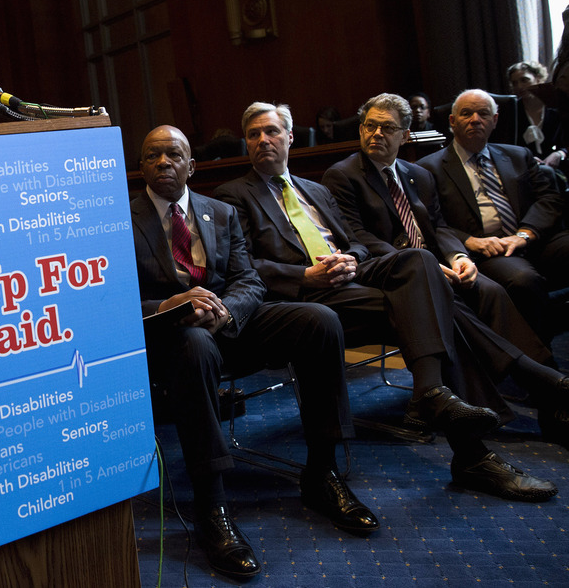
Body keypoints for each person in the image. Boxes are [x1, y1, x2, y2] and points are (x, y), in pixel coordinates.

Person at [213, 102, 558, 502]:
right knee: (437, 306)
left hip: (351, 278)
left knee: (418, 260)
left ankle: (435, 396)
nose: (262, 141)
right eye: (253, 135)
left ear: (290, 137)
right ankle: (487, 430)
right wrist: (307, 275)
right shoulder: (232, 195)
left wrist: (351, 258)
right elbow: (246, 266)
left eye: (271, 132)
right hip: (307, 298)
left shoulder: (316, 190)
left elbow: (356, 242)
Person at [132, 125, 377, 582]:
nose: (163, 163)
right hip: (174, 339)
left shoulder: (220, 213)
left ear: (192, 165)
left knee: (318, 320)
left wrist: (224, 312)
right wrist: (168, 306)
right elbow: (111, 295)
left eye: (173, 155)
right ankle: (212, 505)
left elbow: (250, 281)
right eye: (152, 157)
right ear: (141, 166)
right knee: (194, 343)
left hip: (228, 324)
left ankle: (322, 473)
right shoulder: (122, 221)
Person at [322, 93, 569, 446]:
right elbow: (358, 236)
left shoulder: (416, 174)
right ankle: (549, 390)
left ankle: (546, 394)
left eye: (387, 127)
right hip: (390, 272)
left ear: (405, 135)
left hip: (434, 263)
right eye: (369, 125)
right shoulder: (343, 175)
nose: (376, 133)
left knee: (491, 291)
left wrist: (458, 258)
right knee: (453, 304)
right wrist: (427, 265)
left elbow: (438, 227)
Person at [418, 89, 569, 345]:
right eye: (466, 113)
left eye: (483, 114)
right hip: (487, 250)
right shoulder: (428, 168)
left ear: (495, 120)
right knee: (524, 281)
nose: (475, 119)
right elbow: (432, 223)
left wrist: (524, 235)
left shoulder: (517, 155)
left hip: (529, 237)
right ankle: (543, 365)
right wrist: (470, 241)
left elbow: (550, 199)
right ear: (452, 122)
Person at [506, 61, 567, 169]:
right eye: (515, 83)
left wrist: (559, 154)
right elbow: (506, 146)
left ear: (538, 78)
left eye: (524, 80)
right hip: (524, 169)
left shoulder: (556, 108)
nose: (519, 86)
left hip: (558, 168)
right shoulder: (512, 111)